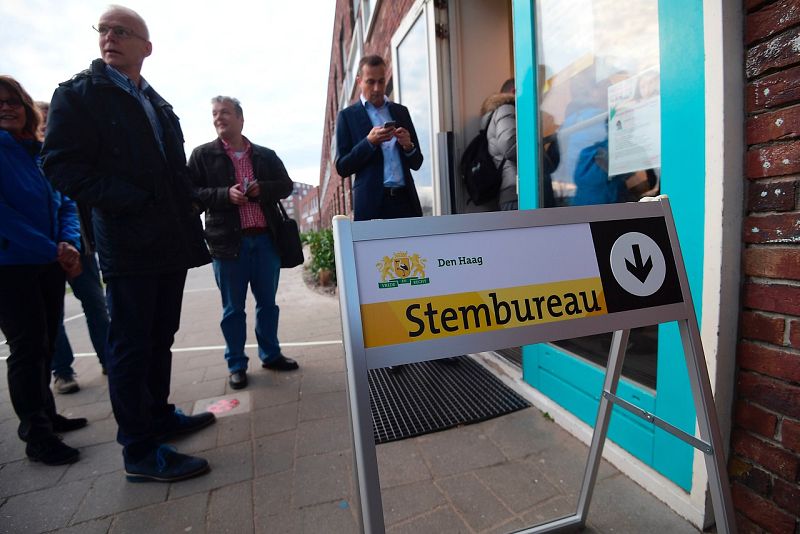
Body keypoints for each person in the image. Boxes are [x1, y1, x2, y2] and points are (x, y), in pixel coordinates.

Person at [42, 5, 215, 482]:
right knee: (131, 345)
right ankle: (139, 450)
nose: (110, 37)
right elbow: (57, 165)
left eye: (122, 31)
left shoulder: (157, 105)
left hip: (169, 242)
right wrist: (128, 200)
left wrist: (190, 207)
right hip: (127, 242)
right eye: (104, 29)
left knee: (162, 337)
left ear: (146, 46)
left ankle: (158, 418)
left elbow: (174, 174)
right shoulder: (78, 96)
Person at [0, 75, 87, 466]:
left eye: (12, 101)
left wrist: (68, 243)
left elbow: (65, 201)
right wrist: (53, 249)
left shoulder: (39, 151)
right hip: (11, 266)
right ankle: (37, 435)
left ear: (25, 105)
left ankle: (47, 416)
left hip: (49, 261)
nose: (6, 108)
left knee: (47, 342)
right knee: (27, 348)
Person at [188, 96, 297, 391]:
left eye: (224, 112)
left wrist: (263, 189)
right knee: (232, 310)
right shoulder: (201, 156)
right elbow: (191, 193)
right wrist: (225, 195)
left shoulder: (264, 155)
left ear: (240, 118)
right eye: (214, 113)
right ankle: (236, 364)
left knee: (267, 305)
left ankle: (271, 355)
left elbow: (286, 185)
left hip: (265, 241)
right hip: (227, 245)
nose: (218, 118)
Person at [34, 100, 110, 394]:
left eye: (49, 120)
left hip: (84, 248)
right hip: (44, 252)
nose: (45, 126)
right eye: (40, 120)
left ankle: (109, 360)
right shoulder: (28, 160)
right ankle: (62, 371)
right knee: (52, 316)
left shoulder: (72, 156)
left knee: (97, 306)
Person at [335, 54, 424, 221]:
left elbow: (417, 162)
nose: (377, 88)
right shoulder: (347, 117)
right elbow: (342, 167)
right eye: (370, 82)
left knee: (411, 249)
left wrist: (408, 146)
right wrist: (369, 142)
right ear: (359, 81)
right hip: (371, 205)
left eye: (381, 81)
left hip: (406, 201)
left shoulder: (400, 112)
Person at [477, 78, 519, 211]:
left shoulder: (496, 114)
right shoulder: (506, 109)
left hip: (511, 191)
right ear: (514, 91)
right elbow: (511, 147)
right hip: (517, 192)